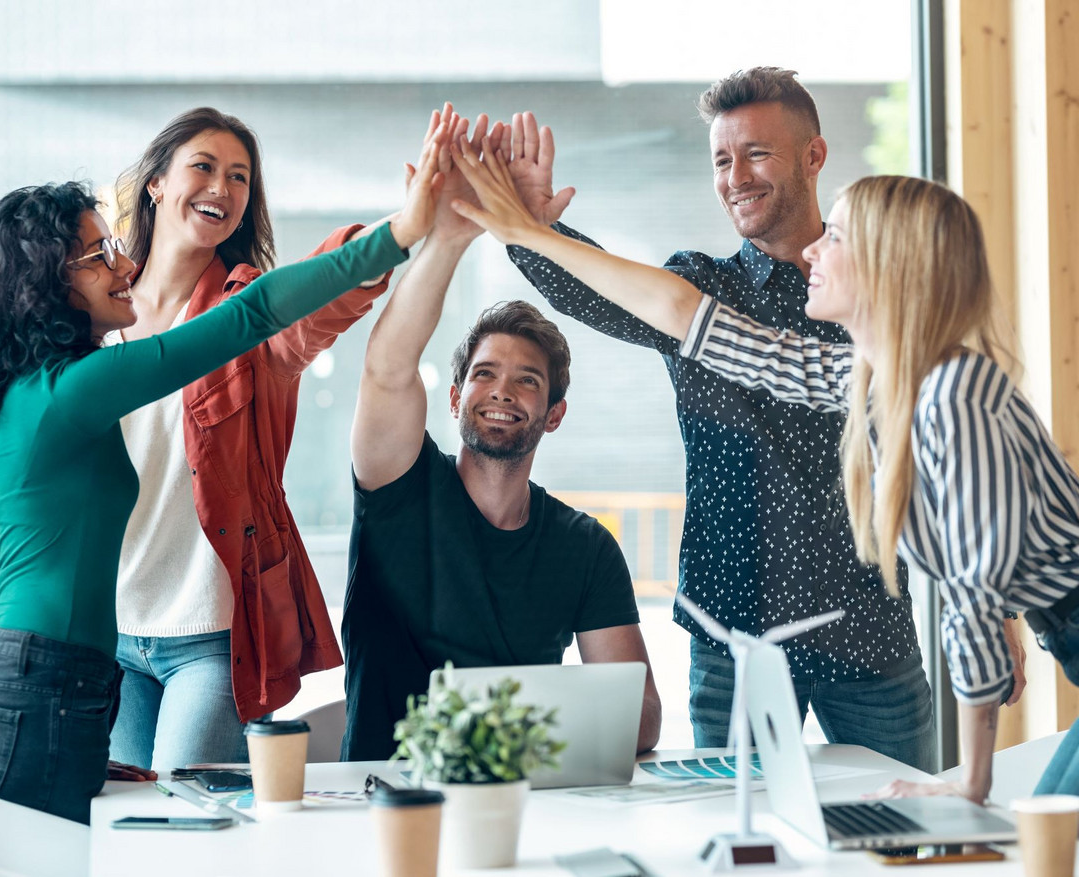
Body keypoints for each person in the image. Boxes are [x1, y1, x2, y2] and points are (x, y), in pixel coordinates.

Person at [451, 140, 1074, 805]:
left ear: (891, 266)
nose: (813, 252)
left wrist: (972, 781)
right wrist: (526, 232)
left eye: (834, 239)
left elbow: (976, 591)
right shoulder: (871, 379)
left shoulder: (953, 394)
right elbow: (689, 319)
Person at [0, 136, 440, 822]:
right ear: (49, 281)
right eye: (96, 256)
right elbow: (253, 314)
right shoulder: (71, 391)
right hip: (41, 687)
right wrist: (403, 232)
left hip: (47, 681)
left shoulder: (24, 393)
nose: (121, 263)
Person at [341, 106, 662, 761]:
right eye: (485, 375)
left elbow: (640, 721)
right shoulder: (398, 486)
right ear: (456, 397)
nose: (503, 392)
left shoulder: (584, 547)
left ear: (554, 414)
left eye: (527, 382)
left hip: (526, 800)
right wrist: (451, 238)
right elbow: (387, 366)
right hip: (386, 801)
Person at [106, 107, 396, 770]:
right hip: (107, 631)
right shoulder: (93, 314)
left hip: (209, 637)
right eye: (203, 166)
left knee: (187, 824)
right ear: (155, 183)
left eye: (240, 177)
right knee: (120, 832)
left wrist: (405, 227)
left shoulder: (246, 313)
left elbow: (324, 295)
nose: (223, 187)